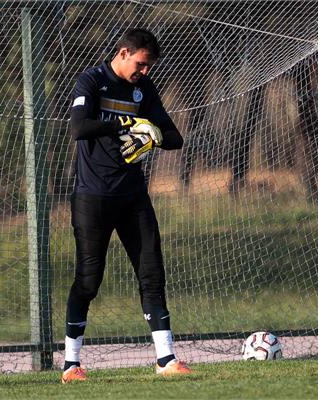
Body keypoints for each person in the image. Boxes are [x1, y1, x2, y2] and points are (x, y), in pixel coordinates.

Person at [61, 28, 190, 383]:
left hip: (133, 197)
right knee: (89, 281)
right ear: (123, 53)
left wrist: (152, 135)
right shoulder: (92, 80)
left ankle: (167, 359)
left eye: (148, 67)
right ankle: (71, 365)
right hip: (92, 197)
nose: (144, 72)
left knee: (152, 274)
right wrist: (128, 122)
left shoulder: (143, 89)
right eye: (141, 64)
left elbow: (174, 138)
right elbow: (78, 127)